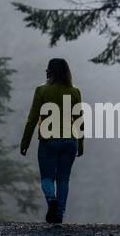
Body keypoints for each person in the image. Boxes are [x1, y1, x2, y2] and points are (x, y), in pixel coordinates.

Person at [20, 58, 84, 226]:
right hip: (70, 140)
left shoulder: (41, 90)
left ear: (51, 72)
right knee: (63, 179)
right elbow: (79, 120)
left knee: (47, 177)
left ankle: (51, 200)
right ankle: (59, 216)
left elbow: (32, 118)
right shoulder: (74, 91)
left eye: (47, 69)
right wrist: (81, 143)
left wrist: (25, 142)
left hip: (49, 141)